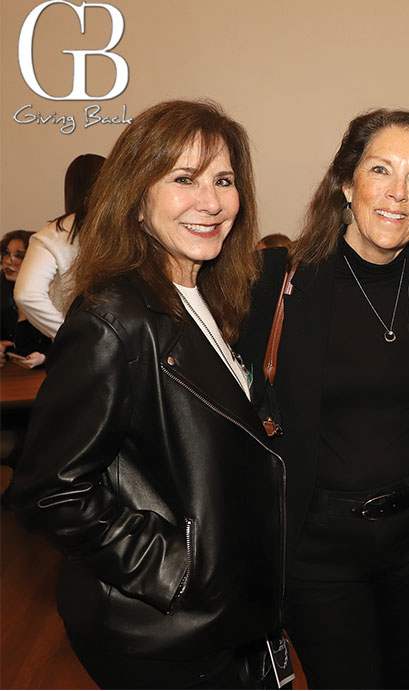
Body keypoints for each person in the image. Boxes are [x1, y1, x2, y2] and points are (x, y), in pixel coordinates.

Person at [7, 100, 288, 689]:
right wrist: (176, 570)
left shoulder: (202, 295)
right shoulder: (114, 318)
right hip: (160, 631)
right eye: (183, 179)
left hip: (216, 616)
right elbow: (48, 492)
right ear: (137, 197)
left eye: (224, 180)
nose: (210, 202)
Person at [238, 109, 409, 688]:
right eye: (381, 170)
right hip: (318, 549)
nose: (397, 193)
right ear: (345, 182)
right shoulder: (280, 281)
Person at [15, 154, 105, 340]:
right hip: (129, 343)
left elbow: (26, 294)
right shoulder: (133, 226)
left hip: (79, 350)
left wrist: (68, 335)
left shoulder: (52, 235)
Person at [1, 229, 50, 368]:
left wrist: (44, 358)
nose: (7, 261)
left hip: (42, 375)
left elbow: (66, 344)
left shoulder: (51, 291)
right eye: (5, 254)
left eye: (19, 256)